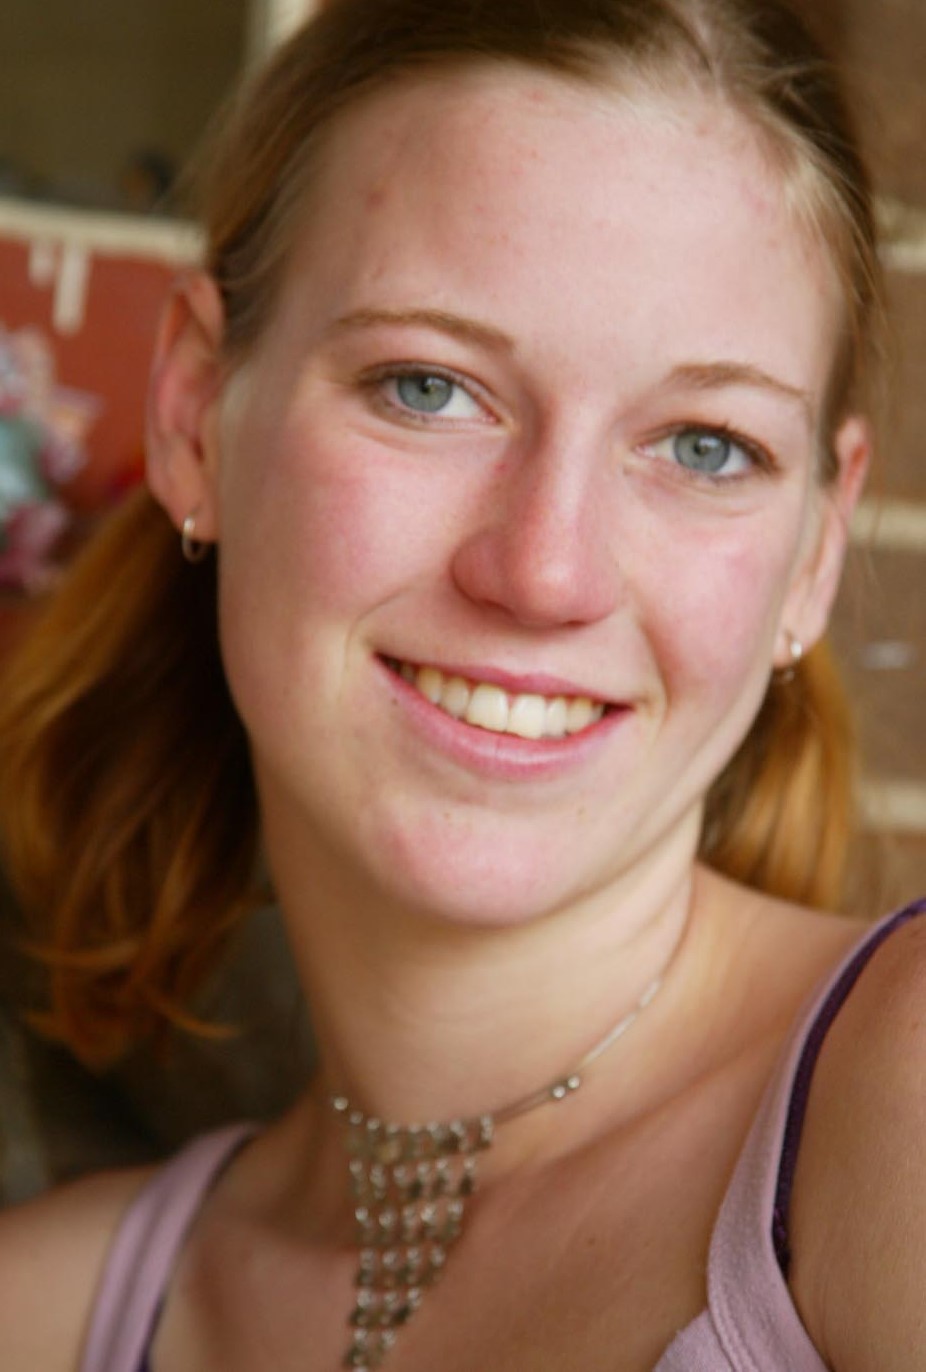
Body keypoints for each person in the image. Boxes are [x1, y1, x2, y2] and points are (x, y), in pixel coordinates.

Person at [0, 0, 920, 1367]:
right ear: (196, 413)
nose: (545, 572)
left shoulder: (899, 1102)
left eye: (705, 447)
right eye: (428, 387)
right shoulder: (46, 1314)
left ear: (816, 549)